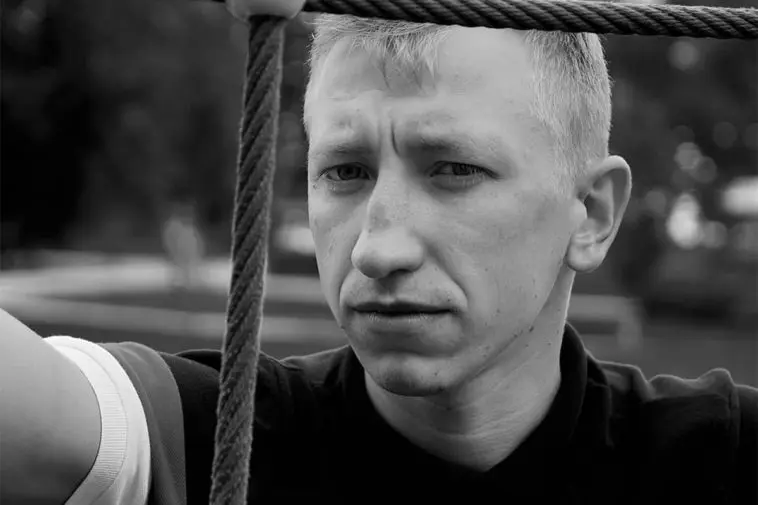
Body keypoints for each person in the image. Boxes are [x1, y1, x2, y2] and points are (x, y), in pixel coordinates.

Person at [1, 13, 756, 505]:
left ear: (591, 213)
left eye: (454, 168)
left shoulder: (716, 457)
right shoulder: (226, 434)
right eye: (345, 171)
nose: (376, 248)